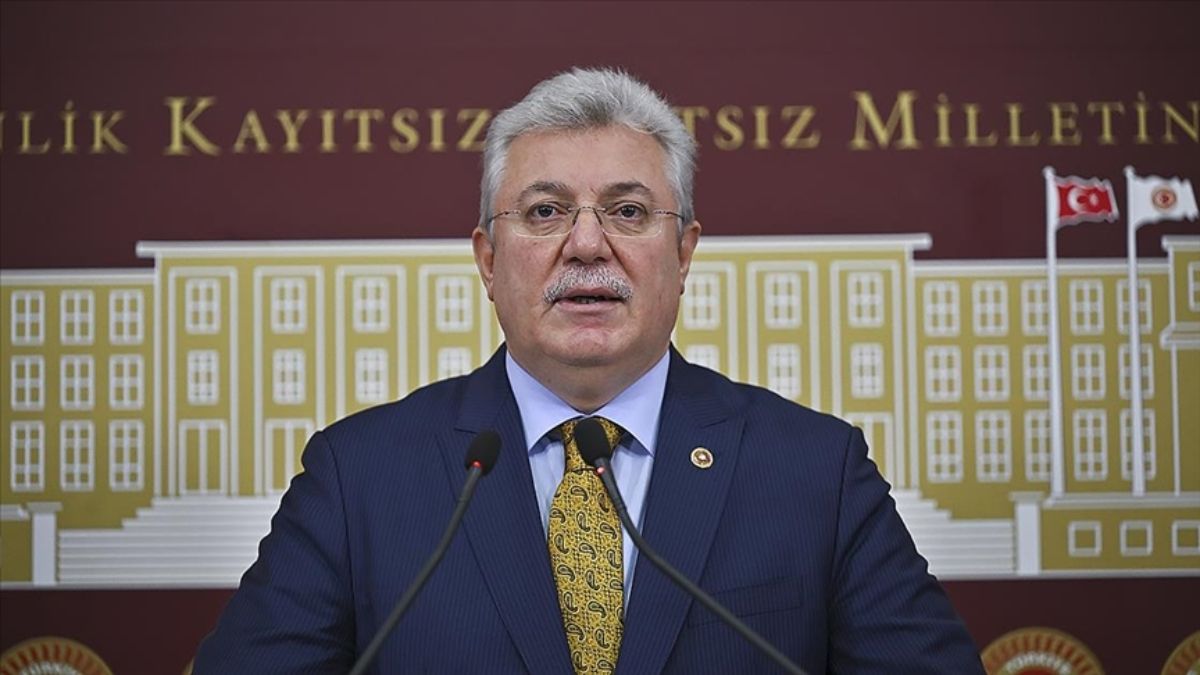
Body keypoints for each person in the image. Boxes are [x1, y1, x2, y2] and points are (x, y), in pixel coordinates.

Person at [194, 67, 984, 674]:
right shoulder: (359, 477)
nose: (585, 244)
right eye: (544, 211)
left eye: (628, 211)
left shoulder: (815, 470)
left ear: (684, 254)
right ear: (488, 258)